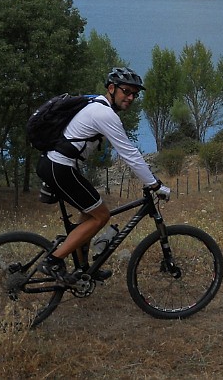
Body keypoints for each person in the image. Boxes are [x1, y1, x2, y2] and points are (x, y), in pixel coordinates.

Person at [36, 66, 170, 286]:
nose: (130, 97)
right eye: (126, 91)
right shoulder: (104, 113)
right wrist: (154, 184)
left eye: (134, 94)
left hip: (56, 164)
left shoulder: (95, 104)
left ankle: (82, 270)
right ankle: (52, 260)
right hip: (60, 166)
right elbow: (129, 153)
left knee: (89, 214)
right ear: (111, 88)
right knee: (101, 215)